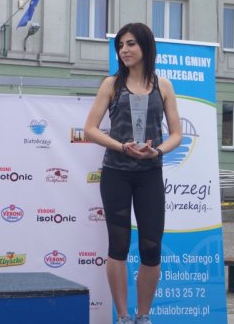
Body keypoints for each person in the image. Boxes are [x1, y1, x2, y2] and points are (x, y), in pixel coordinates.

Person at [84, 23, 182, 324]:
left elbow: (177, 134)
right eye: (120, 46)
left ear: (145, 46)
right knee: (118, 247)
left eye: (130, 44)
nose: (124, 50)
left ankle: (143, 316)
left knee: (151, 248)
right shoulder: (111, 84)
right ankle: (124, 316)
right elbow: (90, 130)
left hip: (149, 174)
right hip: (116, 173)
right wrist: (121, 147)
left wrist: (158, 151)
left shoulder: (163, 86)